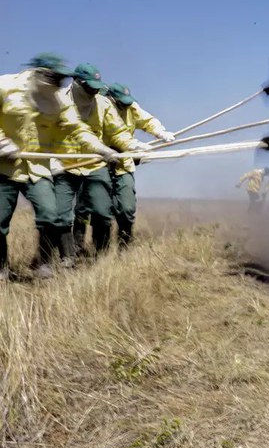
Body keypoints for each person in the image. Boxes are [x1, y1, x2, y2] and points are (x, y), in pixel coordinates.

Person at [0, 54, 119, 280]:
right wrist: (2, 142)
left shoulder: (59, 101)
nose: (58, 84)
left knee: (50, 216)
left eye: (61, 79)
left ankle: (43, 263)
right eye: (54, 77)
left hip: (38, 168)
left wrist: (101, 148)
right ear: (40, 73)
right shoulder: (5, 86)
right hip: (4, 169)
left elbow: (78, 128)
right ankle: (1, 269)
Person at [54, 63, 150, 260]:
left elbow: (118, 133)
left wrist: (134, 146)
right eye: (89, 87)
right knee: (62, 214)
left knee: (101, 212)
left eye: (96, 87)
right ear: (77, 82)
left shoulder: (103, 104)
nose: (93, 91)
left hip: (94, 164)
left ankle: (101, 257)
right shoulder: (58, 99)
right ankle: (68, 257)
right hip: (64, 165)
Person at [98, 82, 174, 246]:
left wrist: (160, 132)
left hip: (124, 165)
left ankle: (124, 247)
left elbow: (147, 120)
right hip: (99, 164)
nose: (125, 106)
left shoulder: (131, 106)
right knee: (101, 211)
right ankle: (100, 252)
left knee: (127, 209)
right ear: (111, 98)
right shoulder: (99, 107)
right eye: (121, 103)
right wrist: (135, 146)